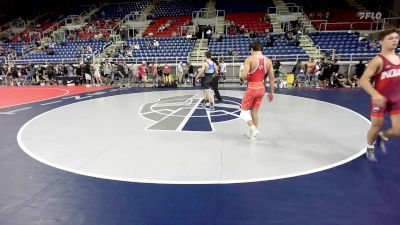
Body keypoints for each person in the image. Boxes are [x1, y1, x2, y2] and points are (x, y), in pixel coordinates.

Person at [360, 28, 400, 162]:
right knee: (376, 126)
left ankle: (382, 136)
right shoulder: (378, 60)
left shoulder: (399, 58)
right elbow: (363, 80)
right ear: (382, 41)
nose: (394, 40)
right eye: (390, 38)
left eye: (396, 38)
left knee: (398, 130)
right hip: (379, 100)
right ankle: (370, 147)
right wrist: (375, 95)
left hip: (396, 99)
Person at [240, 41, 274, 140]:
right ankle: (253, 134)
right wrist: (271, 92)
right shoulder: (268, 61)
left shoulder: (250, 59)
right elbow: (272, 78)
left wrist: (242, 71)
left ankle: (253, 129)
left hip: (252, 89)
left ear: (251, 49)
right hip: (261, 89)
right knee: (254, 113)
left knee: (243, 112)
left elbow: (244, 77)